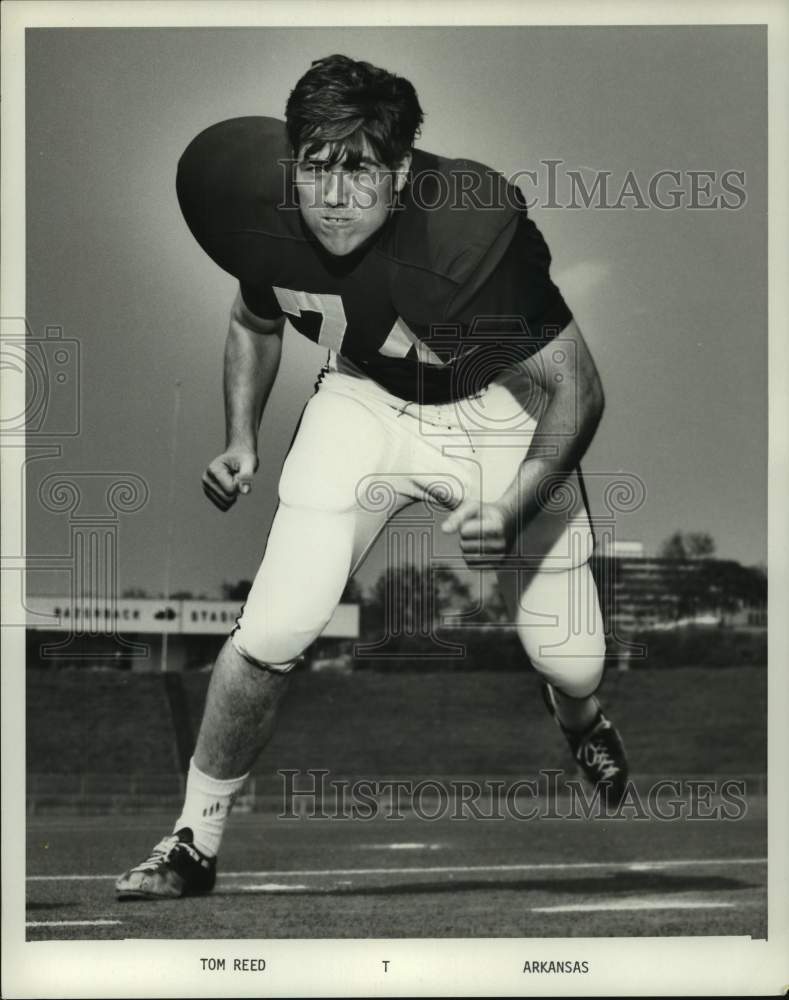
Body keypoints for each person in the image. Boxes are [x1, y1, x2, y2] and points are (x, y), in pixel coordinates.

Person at [116, 54, 628, 900]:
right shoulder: (264, 214)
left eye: (361, 170)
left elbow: (576, 387)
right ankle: (191, 842)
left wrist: (512, 505)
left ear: (401, 172)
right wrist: (240, 436)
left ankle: (579, 721)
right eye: (317, 166)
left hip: (496, 414)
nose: (334, 195)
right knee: (275, 626)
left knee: (571, 661)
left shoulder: (469, 239)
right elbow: (254, 318)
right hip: (366, 401)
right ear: (292, 165)